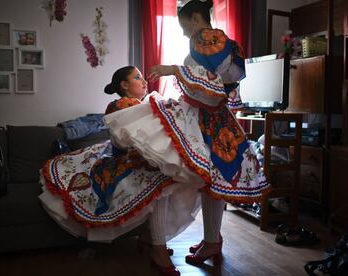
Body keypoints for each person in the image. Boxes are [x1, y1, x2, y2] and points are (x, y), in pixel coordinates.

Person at [105, 0, 270, 268]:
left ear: (195, 18)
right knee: (211, 180)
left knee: (185, 176)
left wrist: (172, 70)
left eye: (183, 26)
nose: (183, 33)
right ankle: (211, 240)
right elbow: (221, 80)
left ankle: (200, 241)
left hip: (203, 118)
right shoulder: (218, 40)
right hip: (213, 118)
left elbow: (211, 82)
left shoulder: (207, 37)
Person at [40, 66, 200, 276]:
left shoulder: (142, 104)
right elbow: (128, 142)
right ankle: (158, 249)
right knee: (161, 181)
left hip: (139, 160)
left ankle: (149, 238)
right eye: (137, 78)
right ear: (124, 85)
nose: (144, 82)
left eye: (143, 78)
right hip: (122, 162)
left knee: (174, 174)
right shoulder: (118, 106)